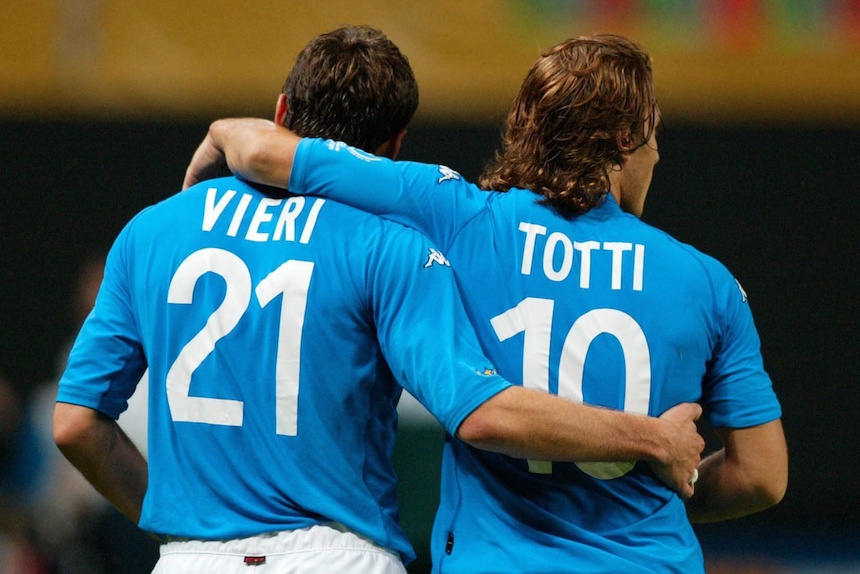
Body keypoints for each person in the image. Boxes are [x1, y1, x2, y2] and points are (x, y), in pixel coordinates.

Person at [54, 27, 704, 574]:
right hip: (340, 556)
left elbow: (76, 424)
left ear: (281, 111)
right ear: (394, 146)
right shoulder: (392, 248)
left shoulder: (152, 231)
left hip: (191, 559)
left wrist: (177, 529)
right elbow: (479, 409)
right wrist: (651, 438)